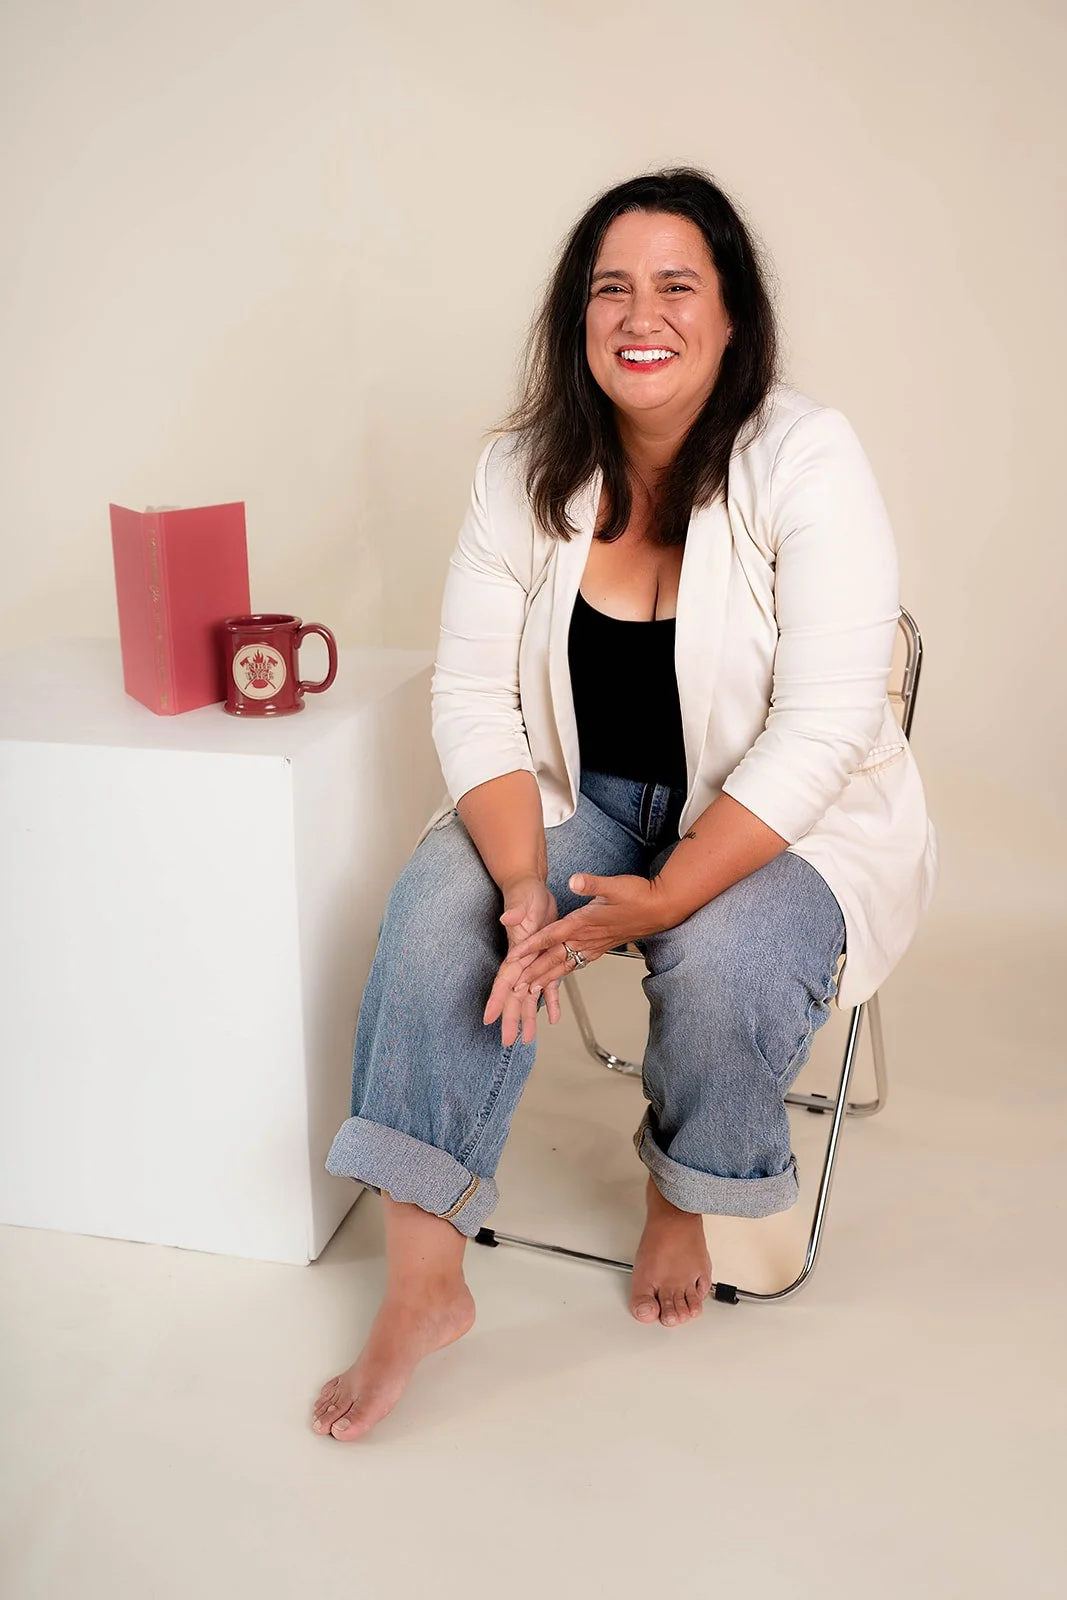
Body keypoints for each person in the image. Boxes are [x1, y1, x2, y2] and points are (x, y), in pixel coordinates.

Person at [312, 168, 937, 1442]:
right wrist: (524, 881)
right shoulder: (516, 472)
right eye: (610, 286)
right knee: (446, 912)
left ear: (728, 313)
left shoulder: (802, 456)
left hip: (778, 814)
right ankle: (424, 1278)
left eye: (674, 284)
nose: (637, 313)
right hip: (579, 791)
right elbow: (474, 698)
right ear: (575, 316)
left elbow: (819, 726)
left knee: (720, 955)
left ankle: (679, 1189)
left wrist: (665, 892)